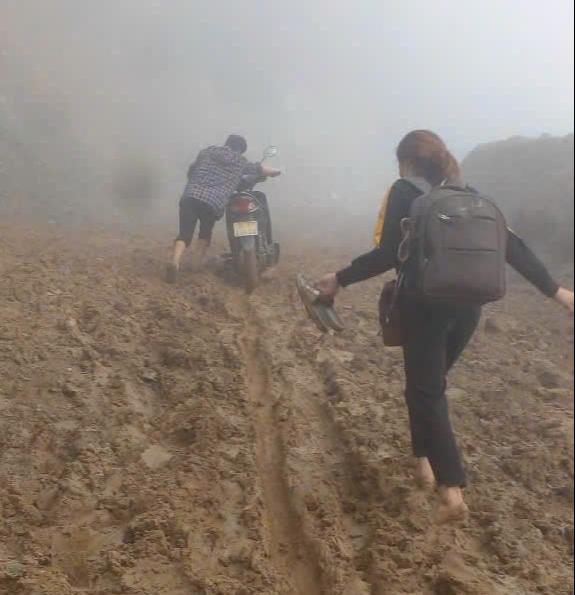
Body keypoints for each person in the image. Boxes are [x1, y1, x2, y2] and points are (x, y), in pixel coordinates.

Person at [315, 130, 574, 521]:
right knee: (426, 387)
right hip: (469, 307)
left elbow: (388, 253)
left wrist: (340, 278)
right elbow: (513, 247)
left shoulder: (403, 191)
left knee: (427, 391)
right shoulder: (472, 195)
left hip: (425, 305)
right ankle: (423, 464)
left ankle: (451, 490)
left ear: (406, 162)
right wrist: (557, 292)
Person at [166, 134, 281, 283]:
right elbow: (259, 169)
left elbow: (191, 171)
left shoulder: (207, 151)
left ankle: (175, 261)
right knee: (205, 233)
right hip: (212, 202)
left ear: (227, 143)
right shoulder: (240, 161)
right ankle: (194, 265)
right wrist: (276, 171)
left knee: (184, 234)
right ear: (240, 150)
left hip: (191, 196)